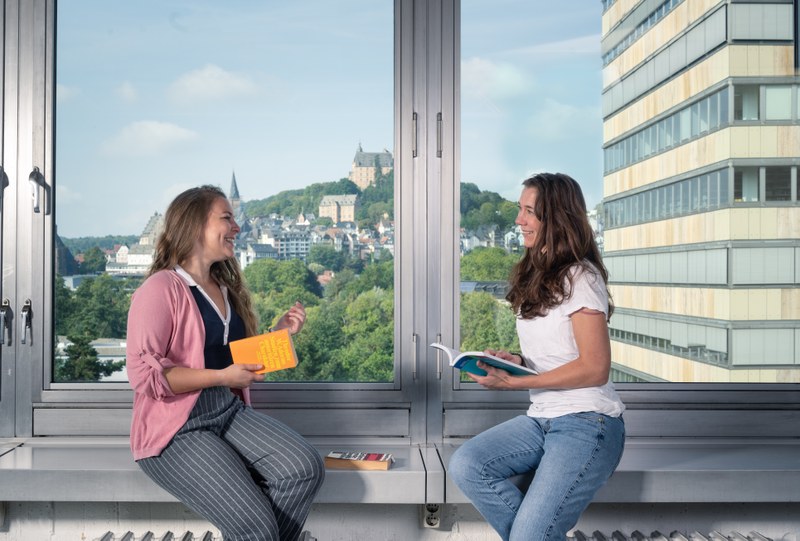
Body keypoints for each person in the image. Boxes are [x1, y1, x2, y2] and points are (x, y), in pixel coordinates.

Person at [126, 185, 324, 541]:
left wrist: (279, 335)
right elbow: (144, 375)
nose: (237, 227)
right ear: (196, 225)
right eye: (227, 218)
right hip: (177, 430)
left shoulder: (225, 289)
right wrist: (221, 376)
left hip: (227, 411)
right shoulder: (160, 289)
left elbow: (236, 362)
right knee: (257, 528)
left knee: (304, 468)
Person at [448, 172, 625, 541]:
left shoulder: (582, 278)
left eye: (530, 212)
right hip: (542, 419)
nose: (519, 220)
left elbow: (594, 368)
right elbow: (556, 356)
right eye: (520, 210)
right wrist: (512, 361)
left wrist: (519, 381)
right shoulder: (538, 275)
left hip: (588, 423)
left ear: (556, 219)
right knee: (468, 464)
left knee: (531, 536)